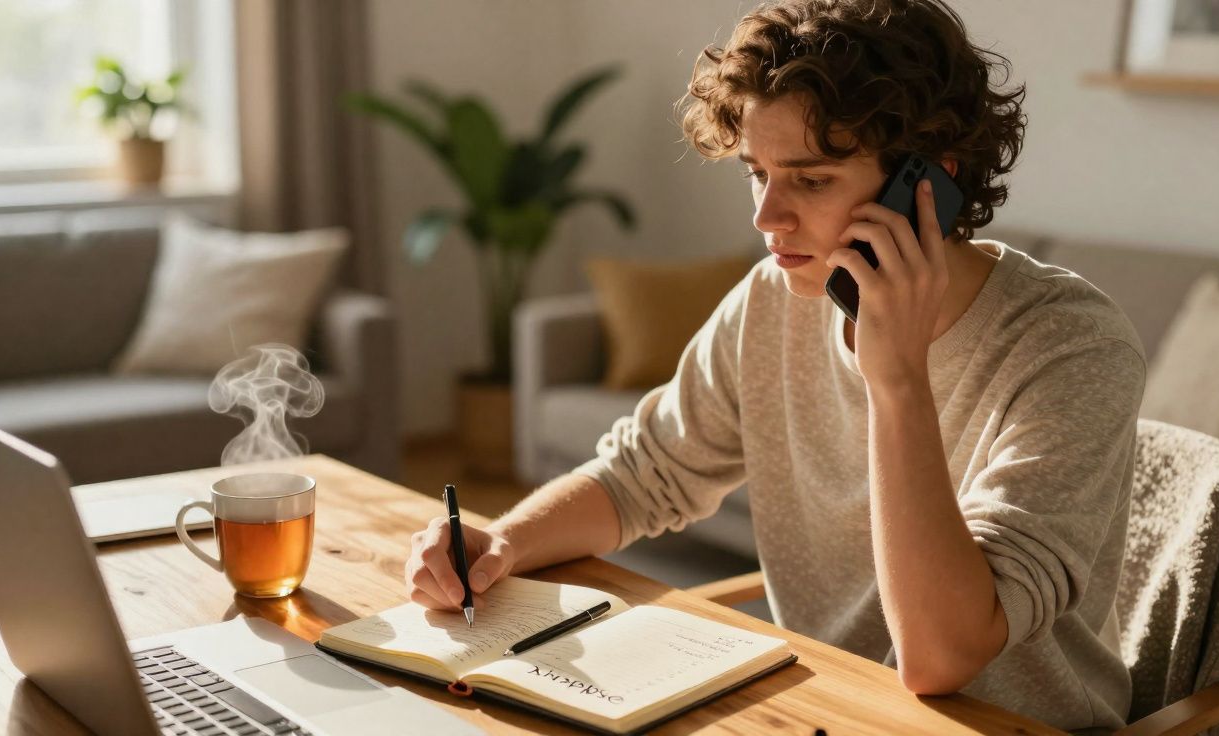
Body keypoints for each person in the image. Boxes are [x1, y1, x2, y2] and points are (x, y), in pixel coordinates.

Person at [406, 0, 1146, 731]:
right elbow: (644, 473)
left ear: (929, 183)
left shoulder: (1072, 347)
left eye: (812, 179)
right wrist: (501, 541)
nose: (766, 218)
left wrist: (897, 381)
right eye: (757, 172)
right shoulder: (777, 295)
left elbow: (942, 656)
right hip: (827, 709)